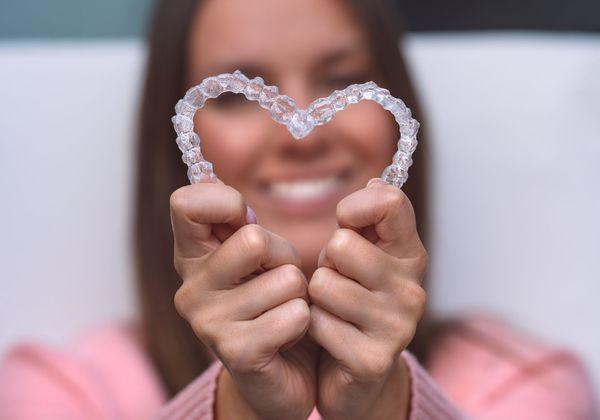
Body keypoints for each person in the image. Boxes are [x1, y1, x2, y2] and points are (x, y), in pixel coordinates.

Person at [0, 0, 597, 418]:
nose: (302, 134)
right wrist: (240, 409)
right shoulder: (58, 390)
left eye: (344, 79)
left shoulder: (527, 383)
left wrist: (386, 407)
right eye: (236, 94)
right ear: (176, 143)